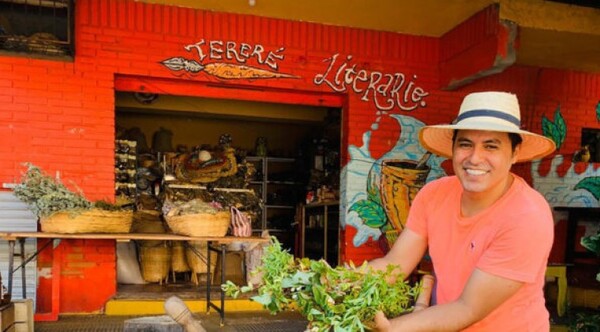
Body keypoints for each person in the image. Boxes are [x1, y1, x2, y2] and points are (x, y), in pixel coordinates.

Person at [370, 91, 557, 331]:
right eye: (465, 144)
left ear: (514, 153)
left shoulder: (527, 216)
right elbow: (395, 263)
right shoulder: (433, 195)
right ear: (453, 148)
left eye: (491, 146)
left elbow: (467, 308)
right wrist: (343, 282)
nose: (475, 158)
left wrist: (392, 328)